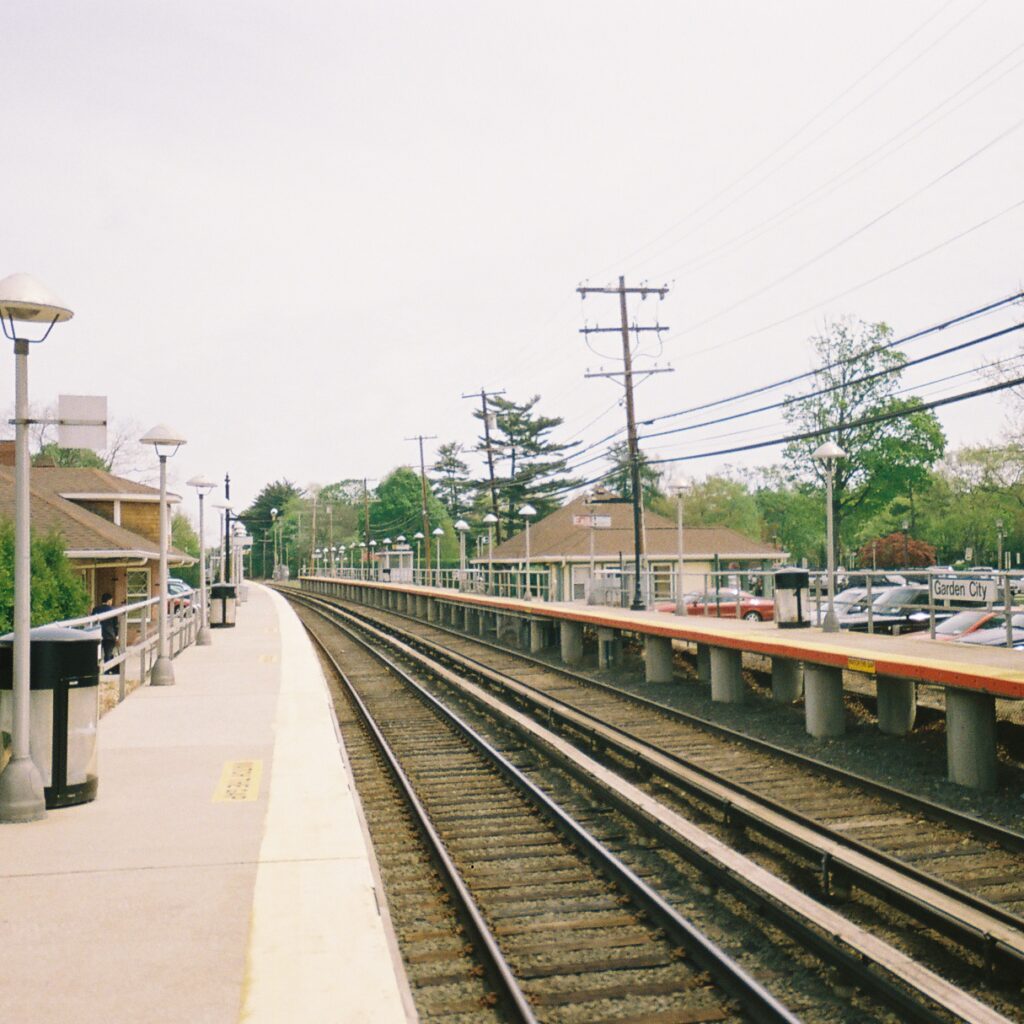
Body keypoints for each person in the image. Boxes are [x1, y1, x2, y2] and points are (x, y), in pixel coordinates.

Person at [91, 592, 118, 668]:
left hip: (97, 634)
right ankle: (107, 669)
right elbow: (115, 624)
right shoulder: (112, 610)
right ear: (109, 601)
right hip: (109, 635)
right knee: (108, 654)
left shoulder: (95, 609)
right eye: (111, 600)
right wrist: (116, 635)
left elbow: (93, 622)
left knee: (96, 654)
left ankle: (95, 669)